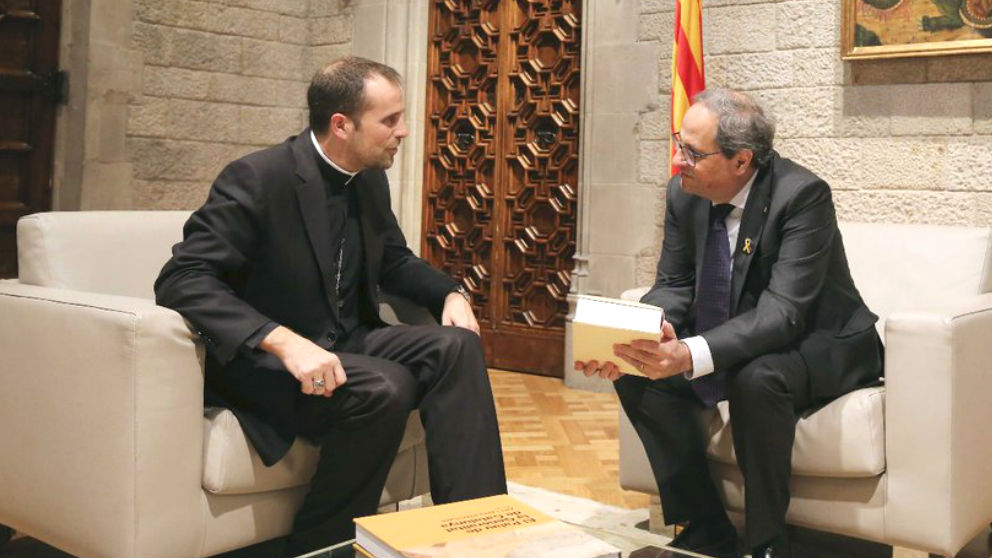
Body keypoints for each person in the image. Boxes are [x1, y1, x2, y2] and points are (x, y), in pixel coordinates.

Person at [155, 56, 507, 554]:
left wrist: (450, 292)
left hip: (349, 340)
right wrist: (281, 341)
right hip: (270, 363)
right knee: (388, 385)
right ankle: (324, 544)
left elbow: (393, 262)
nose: (404, 131)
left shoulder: (366, 176)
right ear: (342, 124)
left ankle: (481, 531)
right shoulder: (257, 177)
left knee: (456, 347)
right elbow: (182, 278)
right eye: (390, 120)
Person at [577, 89, 883, 558]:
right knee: (640, 374)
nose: (678, 160)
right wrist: (641, 336)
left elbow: (784, 313)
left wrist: (689, 354)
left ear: (742, 161)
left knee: (755, 379)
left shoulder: (802, 196)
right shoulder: (685, 193)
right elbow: (675, 283)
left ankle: (766, 542)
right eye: (679, 143)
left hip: (821, 341)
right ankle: (705, 524)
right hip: (738, 336)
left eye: (692, 153)